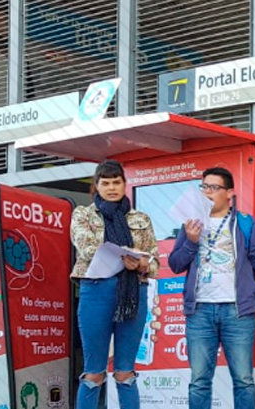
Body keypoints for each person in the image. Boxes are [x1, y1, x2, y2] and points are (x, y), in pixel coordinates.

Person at [168, 166, 255, 409]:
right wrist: (190, 241)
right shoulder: (190, 223)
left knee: (243, 379)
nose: (207, 192)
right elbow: (175, 264)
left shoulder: (247, 224)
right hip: (200, 311)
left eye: (214, 187)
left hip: (237, 312)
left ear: (229, 192)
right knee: (199, 380)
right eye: (204, 187)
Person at [69, 160, 160, 409]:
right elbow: (87, 248)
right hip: (96, 291)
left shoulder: (141, 218)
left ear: (124, 185)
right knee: (94, 372)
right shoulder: (83, 214)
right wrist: (125, 258)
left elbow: (154, 261)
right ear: (96, 186)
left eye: (116, 182)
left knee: (125, 372)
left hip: (133, 294)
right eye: (105, 183)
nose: (111, 188)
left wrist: (140, 265)